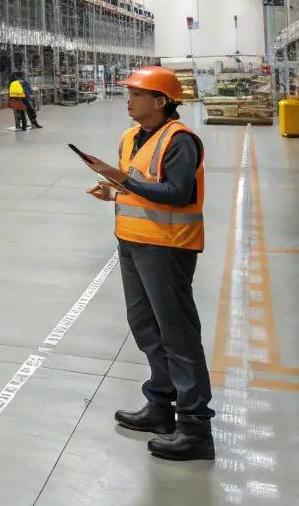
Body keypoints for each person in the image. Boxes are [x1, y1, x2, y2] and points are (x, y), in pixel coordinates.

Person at [83, 65, 213, 462]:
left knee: (177, 331)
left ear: (160, 101)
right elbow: (138, 185)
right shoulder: (131, 137)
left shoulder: (180, 141)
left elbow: (176, 193)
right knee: (146, 327)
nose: (129, 98)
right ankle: (161, 405)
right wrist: (113, 190)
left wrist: (123, 179)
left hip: (168, 247)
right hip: (133, 243)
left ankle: (194, 426)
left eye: (136, 93)